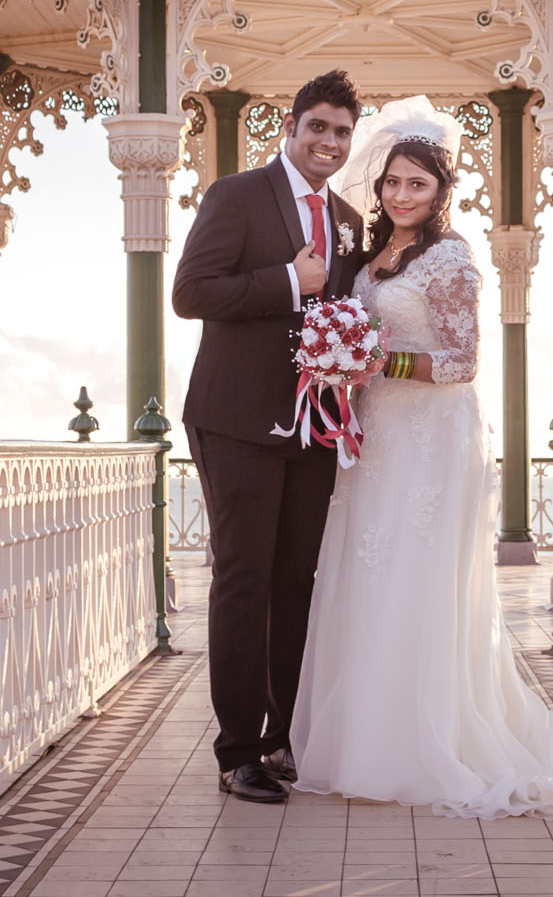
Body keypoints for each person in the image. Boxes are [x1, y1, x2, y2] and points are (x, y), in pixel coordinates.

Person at [291, 98, 553, 817]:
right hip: (379, 436)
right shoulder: (370, 260)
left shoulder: (452, 260)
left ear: (440, 192)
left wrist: (377, 363)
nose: (400, 194)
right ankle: (360, 739)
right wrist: (341, 365)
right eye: (392, 182)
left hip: (431, 436)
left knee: (417, 578)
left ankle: (427, 740)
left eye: (417, 184)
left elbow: (463, 361)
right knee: (367, 570)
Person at [171, 69, 369, 804]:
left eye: (341, 132)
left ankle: (285, 736)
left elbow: (342, 308)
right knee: (245, 577)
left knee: (297, 581)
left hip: (314, 426)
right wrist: (288, 281)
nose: (328, 141)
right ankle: (237, 750)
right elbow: (191, 292)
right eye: (317, 126)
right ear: (290, 127)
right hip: (237, 419)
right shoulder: (236, 195)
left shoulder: (347, 217)